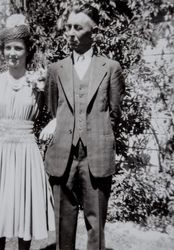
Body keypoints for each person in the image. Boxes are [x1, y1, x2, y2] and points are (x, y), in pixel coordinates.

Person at [41, 4, 125, 250]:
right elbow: (52, 109)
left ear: (94, 31)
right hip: (61, 157)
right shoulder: (56, 70)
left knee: (96, 223)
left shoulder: (110, 68)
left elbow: (115, 113)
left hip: (96, 156)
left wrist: (97, 137)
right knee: (63, 222)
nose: (70, 32)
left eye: (78, 27)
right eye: (68, 27)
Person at [0, 14, 55, 250]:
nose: (12, 53)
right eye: (8, 48)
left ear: (27, 50)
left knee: (24, 211)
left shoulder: (38, 82)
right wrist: (1, 130)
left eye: (17, 48)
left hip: (26, 151)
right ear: (3, 50)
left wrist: (53, 122)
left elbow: (55, 110)